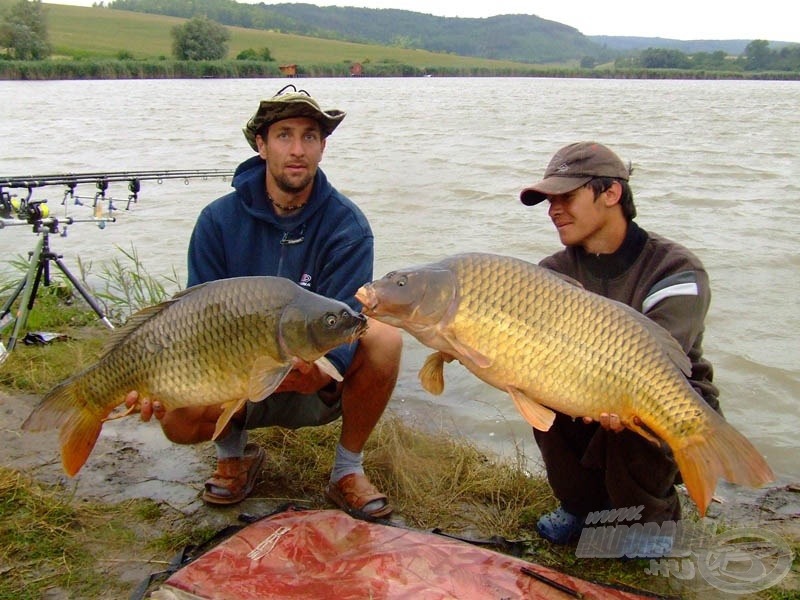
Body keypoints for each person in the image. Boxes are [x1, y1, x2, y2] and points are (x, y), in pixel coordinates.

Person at [126, 84, 402, 518]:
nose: (297, 149)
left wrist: (323, 375)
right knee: (176, 419)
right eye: (284, 135)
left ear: (323, 147)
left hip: (313, 378)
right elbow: (193, 325)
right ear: (261, 144)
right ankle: (233, 457)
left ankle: (347, 469)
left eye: (310, 136)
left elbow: (347, 324)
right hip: (232, 376)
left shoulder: (347, 226)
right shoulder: (217, 221)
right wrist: (159, 384)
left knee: (384, 339)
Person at [519, 141, 721, 554]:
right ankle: (580, 507)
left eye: (566, 197)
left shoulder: (675, 268)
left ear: (611, 193)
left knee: (635, 404)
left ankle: (651, 519)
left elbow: (658, 360)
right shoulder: (551, 273)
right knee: (538, 388)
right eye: (549, 200)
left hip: (665, 394)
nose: (554, 210)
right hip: (580, 383)